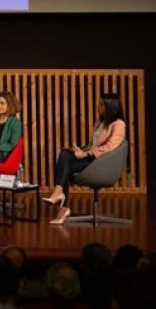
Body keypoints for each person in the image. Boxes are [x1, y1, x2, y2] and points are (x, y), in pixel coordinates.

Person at [43, 93, 126, 224]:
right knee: (65, 154)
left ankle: (61, 201)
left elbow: (109, 147)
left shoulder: (118, 124)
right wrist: (82, 150)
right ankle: (60, 198)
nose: (98, 106)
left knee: (64, 166)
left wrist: (86, 154)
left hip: (101, 163)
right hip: (92, 158)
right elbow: (93, 144)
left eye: (101, 105)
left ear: (110, 107)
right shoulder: (99, 122)